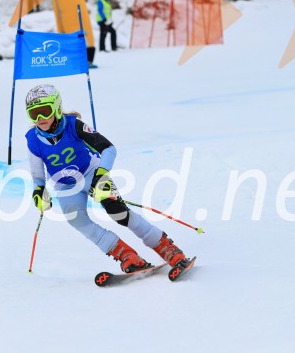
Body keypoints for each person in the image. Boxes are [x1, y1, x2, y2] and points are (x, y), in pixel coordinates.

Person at [24, 84, 188, 273]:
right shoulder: (33, 139)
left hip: (91, 173)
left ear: (57, 108)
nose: (40, 119)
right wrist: (39, 190)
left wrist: (101, 175)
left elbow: (109, 149)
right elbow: (37, 175)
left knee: (118, 212)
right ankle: (127, 255)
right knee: (76, 219)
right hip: (65, 186)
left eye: (44, 111)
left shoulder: (73, 125)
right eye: (33, 114)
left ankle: (167, 248)